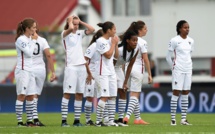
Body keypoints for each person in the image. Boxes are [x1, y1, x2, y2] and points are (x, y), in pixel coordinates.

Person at [60, 15, 95, 127]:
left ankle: (76, 121)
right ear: (69, 23)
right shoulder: (65, 33)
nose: (75, 26)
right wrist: (70, 21)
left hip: (81, 67)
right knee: (67, 93)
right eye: (74, 24)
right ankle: (64, 121)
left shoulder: (79, 33)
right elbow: (70, 29)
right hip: (71, 66)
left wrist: (81, 21)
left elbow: (92, 29)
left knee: (79, 94)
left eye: (77, 24)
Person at [123, 21, 153, 125]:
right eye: (145, 28)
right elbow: (145, 59)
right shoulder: (142, 42)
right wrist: (149, 74)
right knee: (135, 95)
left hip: (127, 67)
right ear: (139, 30)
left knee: (132, 94)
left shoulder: (130, 39)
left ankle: (138, 119)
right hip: (138, 69)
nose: (146, 30)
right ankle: (126, 117)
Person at [166, 20, 194, 126]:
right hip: (178, 69)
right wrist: (173, 68)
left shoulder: (191, 41)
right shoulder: (174, 40)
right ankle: (173, 119)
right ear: (179, 29)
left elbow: (189, 55)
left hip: (188, 69)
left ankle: (183, 119)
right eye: (185, 27)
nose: (187, 29)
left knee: (186, 92)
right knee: (176, 92)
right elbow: (168, 57)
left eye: (188, 27)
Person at [94, 21, 119, 127]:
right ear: (109, 30)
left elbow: (116, 56)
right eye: (114, 29)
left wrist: (116, 45)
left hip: (111, 71)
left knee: (112, 96)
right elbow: (108, 55)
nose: (115, 31)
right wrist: (113, 44)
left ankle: (110, 120)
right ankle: (98, 121)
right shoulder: (100, 41)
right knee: (104, 96)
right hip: (102, 72)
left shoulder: (110, 40)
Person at [31, 27, 56, 126]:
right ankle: (34, 118)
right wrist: (53, 71)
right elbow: (48, 55)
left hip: (29, 69)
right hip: (40, 69)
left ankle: (32, 119)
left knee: (31, 95)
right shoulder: (43, 40)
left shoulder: (25, 40)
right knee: (35, 95)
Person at [14, 18, 37, 127]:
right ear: (27, 28)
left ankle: (29, 121)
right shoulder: (21, 39)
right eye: (33, 27)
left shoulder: (29, 39)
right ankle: (19, 122)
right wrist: (33, 41)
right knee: (21, 95)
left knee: (31, 96)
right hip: (22, 70)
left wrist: (32, 40)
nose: (35, 29)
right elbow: (28, 53)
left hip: (30, 70)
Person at [114, 30, 139, 126]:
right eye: (133, 40)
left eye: (136, 40)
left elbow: (129, 66)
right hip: (109, 68)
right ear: (127, 41)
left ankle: (120, 119)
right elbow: (109, 62)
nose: (135, 42)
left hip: (118, 68)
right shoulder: (120, 50)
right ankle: (108, 118)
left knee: (123, 91)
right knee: (111, 93)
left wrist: (125, 82)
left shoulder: (136, 50)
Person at [83, 29, 103, 126]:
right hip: (91, 74)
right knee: (89, 97)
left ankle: (102, 119)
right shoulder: (94, 46)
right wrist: (89, 73)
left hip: (99, 74)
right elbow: (84, 60)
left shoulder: (103, 47)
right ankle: (88, 120)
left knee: (102, 97)